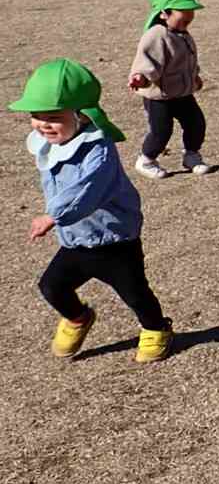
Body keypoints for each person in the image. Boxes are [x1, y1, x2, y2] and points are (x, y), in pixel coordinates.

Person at [10, 59, 173, 363]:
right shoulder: (51, 143)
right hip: (76, 241)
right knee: (51, 286)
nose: (43, 124)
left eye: (53, 117)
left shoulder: (99, 152)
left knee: (136, 293)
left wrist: (52, 216)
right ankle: (78, 317)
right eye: (36, 116)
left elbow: (85, 190)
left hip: (114, 242)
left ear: (83, 117)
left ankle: (156, 329)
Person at [129, 0, 209, 179]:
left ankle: (191, 155)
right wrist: (141, 78)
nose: (189, 15)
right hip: (159, 96)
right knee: (161, 131)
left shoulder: (182, 34)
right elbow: (147, 62)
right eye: (183, 10)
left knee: (196, 123)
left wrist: (194, 78)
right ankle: (146, 159)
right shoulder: (157, 35)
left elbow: (186, 60)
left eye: (191, 11)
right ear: (165, 13)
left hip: (182, 93)